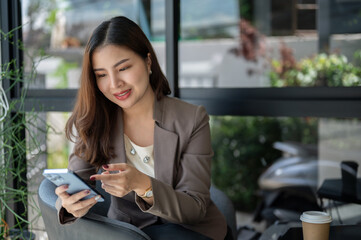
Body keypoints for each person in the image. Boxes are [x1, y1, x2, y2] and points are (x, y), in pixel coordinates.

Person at [54, 16, 228, 240]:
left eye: (123, 68)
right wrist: (68, 203)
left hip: (190, 233)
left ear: (147, 62)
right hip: (131, 234)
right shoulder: (97, 120)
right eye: (102, 75)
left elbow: (194, 208)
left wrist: (142, 185)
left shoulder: (192, 119)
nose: (115, 83)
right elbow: (75, 181)